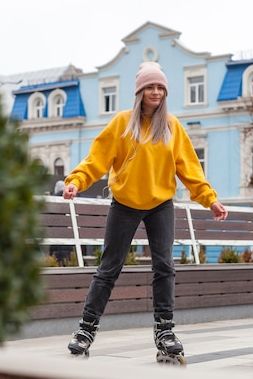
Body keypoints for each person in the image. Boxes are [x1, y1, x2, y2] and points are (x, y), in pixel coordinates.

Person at [63, 61, 228, 361]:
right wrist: (76, 181)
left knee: (164, 267)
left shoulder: (172, 127)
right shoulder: (122, 124)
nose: (156, 92)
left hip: (161, 205)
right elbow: (96, 160)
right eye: (150, 87)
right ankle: (85, 329)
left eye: (160, 88)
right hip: (125, 204)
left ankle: (165, 330)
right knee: (108, 268)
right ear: (140, 91)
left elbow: (190, 169)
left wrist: (209, 199)